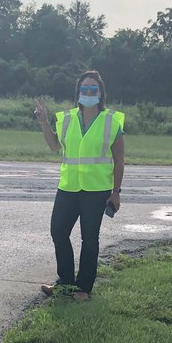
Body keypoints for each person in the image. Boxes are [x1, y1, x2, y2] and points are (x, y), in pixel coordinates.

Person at [34, 71, 125, 301]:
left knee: (89, 238)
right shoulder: (65, 118)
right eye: (84, 89)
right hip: (68, 187)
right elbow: (55, 146)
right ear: (78, 92)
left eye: (93, 89)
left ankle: (83, 287)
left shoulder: (111, 121)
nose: (88, 93)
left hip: (96, 190)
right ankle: (65, 282)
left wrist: (116, 192)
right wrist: (44, 122)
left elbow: (119, 159)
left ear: (100, 93)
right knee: (58, 232)